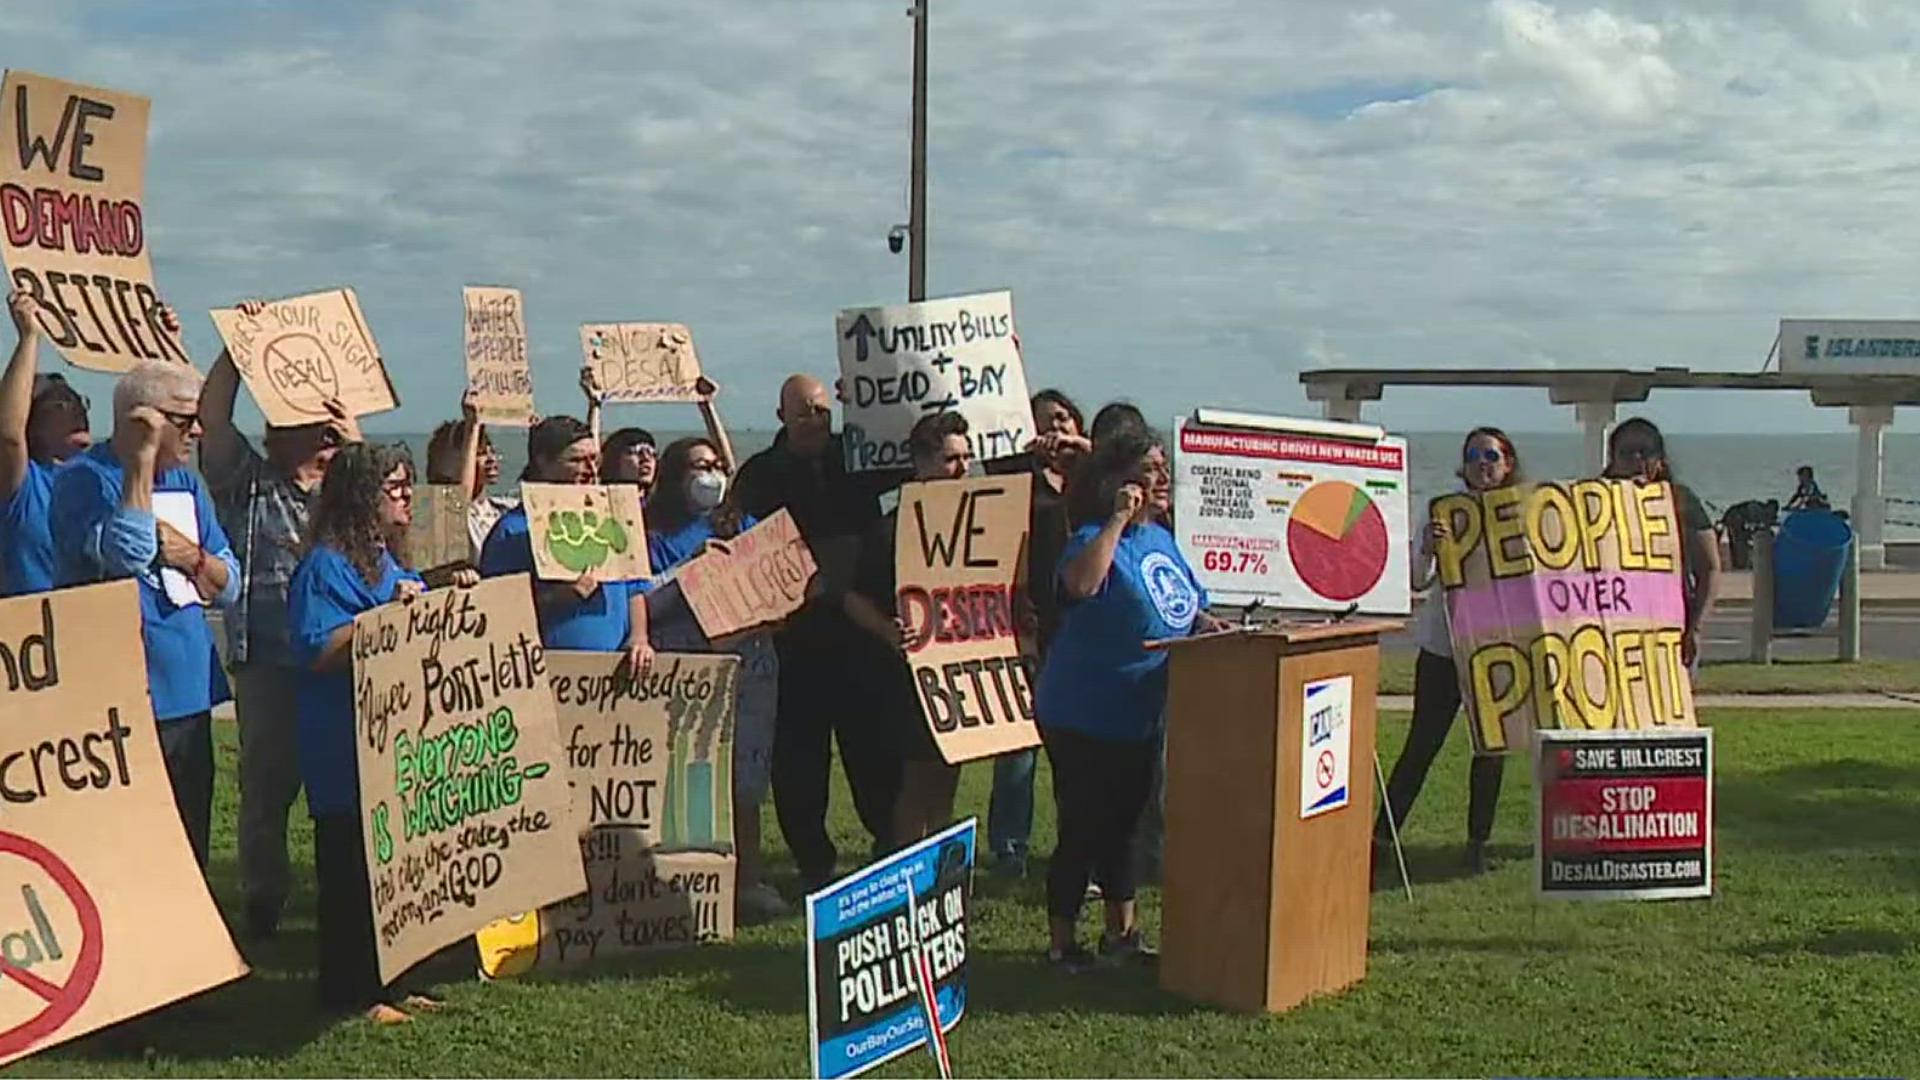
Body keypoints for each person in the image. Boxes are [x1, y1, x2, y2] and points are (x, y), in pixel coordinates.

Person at [289, 441, 470, 1024]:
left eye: (407, 485)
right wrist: (382, 617)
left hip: (392, 750)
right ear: (361, 497)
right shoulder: (324, 565)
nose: (405, 498)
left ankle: (396, 979)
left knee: (393, 875)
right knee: (348, 877)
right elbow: (318, 648)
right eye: (393, 487)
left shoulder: (387, 559)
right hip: (343, 747)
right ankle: (350, 991)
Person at [1037, 430, 1227, 970]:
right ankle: (1061, 942)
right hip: (1083, 712)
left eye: (1165, 467)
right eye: (1150, 468)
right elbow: (1079, 585)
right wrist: (1118, 521)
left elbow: (1187, 605)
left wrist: (1217, 627)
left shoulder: (1162, 540)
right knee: (1082, 827)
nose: (1163, 478)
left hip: (1139, 713)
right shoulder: (1094, 536)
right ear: (1117, 481)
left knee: (1125, 827)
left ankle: (1122, 935)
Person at [201, 308, 362, 939]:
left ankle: (344, 898)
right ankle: (264, 901)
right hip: (269, 659)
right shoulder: (248, 483)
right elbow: (213, 420)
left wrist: (352, 442)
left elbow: (393, 511)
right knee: (268, 788)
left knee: (345, 789)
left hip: (339, 657)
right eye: (313, 427)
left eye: (328, 430)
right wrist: (238, 351)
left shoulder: (348, 493)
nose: (324, 436)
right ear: (276, 434)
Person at [51, 359, 241, 868]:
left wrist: (195, 558)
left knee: (190, 840)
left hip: (189, 689)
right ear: (144, 419)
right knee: (130, 847)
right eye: (183, 420)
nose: (197, 431)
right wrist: (139, 464)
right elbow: (129, 554)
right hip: (122, 692)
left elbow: (229, 584)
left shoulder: (187, 484)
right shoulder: (81, 481)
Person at [734, 374, 907, 890]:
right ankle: (813, 861)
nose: (814, 420)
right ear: (781, 414)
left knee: (875, 750)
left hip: (864, 636)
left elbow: (913, 458)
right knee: (798, 763)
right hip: (796, 640)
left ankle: (886, 844)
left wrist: (871, 411)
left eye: (822, 410)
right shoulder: (761, 474)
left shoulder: (856, 455)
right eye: (804, 411)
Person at [642, 434, 789, 922]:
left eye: (713, 465)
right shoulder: (652, 533)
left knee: (746, 778)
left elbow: (777, 584)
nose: (708, 474)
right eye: (695, 466)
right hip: (688, 667)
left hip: (750, 663)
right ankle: (687, 881)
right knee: (688, 776)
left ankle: (748, 879)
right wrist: (692, 571)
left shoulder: (737, 522)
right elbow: (641, 601)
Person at [1375, 427, 1520, 878]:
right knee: (1422, 745)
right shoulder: (1441, 510)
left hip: (1494, 648)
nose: (1482, 463)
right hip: (1443, 648)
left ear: (1507, 463)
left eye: (1491, 455)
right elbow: (1417, 580)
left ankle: (1478, 842)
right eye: (1474, 455)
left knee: (1490, 748)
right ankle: (1381, 836)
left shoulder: (1521, 513)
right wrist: (1429, 548)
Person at [844, 411, 975, 847]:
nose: (963, 469)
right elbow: (854, 598)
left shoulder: (979, 525)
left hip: (959, 670)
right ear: (921, 461)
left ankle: (937, 876)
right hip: (910, 676)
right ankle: (908, 873)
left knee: (946, 778)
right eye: (952, 459)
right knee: (917, 782)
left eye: (967, 458)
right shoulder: (889, 529)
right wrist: (888, 632)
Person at [986, 389, 1091, 877]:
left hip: (1084, 629)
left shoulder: (1093, 480)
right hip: (1030, 626)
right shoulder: (1016, 477)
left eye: (1063, 419)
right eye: (1044, 422)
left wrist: (1081, 454)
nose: (1055, 430)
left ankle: (1079, 853)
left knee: (1079, 751)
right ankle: (1010, 848)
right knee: (1019, 748)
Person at [479, 415, 652, 674]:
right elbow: (495, 613)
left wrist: (639, 639)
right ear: (543, 462)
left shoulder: (614, 515)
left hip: (617, 672)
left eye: (595, 460)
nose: (591, 470)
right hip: (550, 674)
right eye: (577, 461)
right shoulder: (512, 530)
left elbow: (634, 588)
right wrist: (556, 598)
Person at [0, 290, 108, 595]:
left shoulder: (101, 476)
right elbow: (7, 435)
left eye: (78, 401)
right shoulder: (23, 486)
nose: (75, 409)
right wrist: (29, 338)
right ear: (33, 425)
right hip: (35, 634)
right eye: (59, 404)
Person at [1603, 419, 1719, 671]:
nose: (1636, 460)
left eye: (1645, 452)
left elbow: (1709, 568)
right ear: (1612, 459)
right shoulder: (1591, 502)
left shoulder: (1681, 500)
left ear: (1660, 459)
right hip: (1611, 632)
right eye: (1626, 453)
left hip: (1670, 631)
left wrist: (1695, 628)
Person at [424, 391, 515, 559]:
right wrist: (472, 426)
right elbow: (460, 502)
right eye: (479, 453)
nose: (490, 459)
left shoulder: (505, 508)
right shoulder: (435, 513)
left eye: (491, 450)